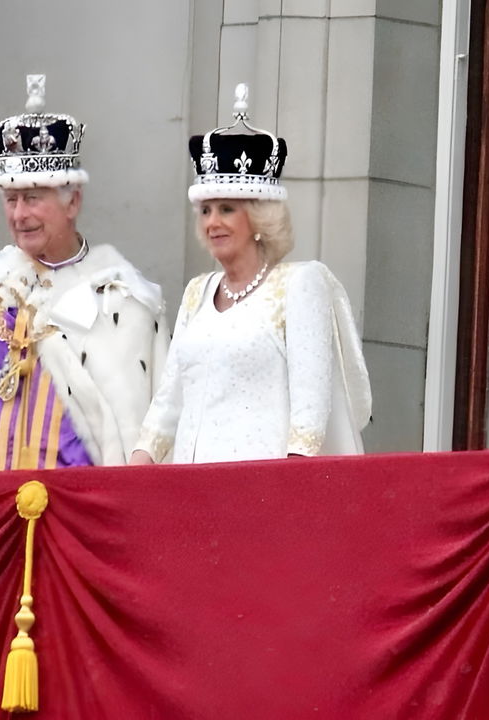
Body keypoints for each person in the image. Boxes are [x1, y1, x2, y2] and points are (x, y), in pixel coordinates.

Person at [0, 75, 168, 475]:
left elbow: (147, 430)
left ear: (72, 200)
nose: (19, 215)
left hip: (77, 512)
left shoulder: (123, 301)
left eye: (33, 199)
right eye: (11, 200)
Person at [130, 84, 371, 465]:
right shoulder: (197, 291)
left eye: (226, 209)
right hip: (189, 490)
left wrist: (285, 494)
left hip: (259, 493)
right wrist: (136, 467)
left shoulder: (299, 284)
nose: (212, 222)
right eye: (206, 210)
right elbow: (169, 401)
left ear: (260, 217)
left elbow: (310, 415)